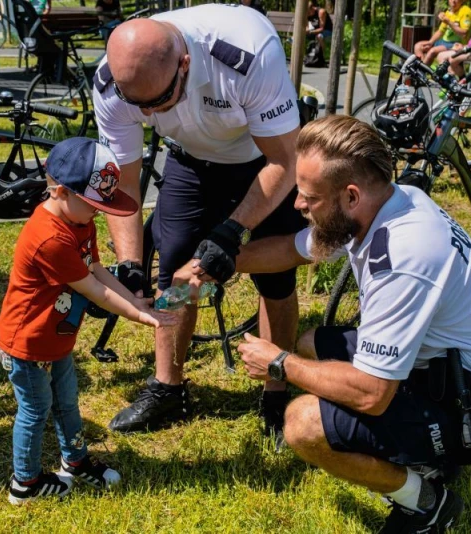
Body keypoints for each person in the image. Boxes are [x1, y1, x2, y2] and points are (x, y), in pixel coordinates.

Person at [207, 115, 471, 532]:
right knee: (312, 343)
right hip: (445, 363)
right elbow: (292, 248)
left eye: (309, 197)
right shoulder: (390, 200)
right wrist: (221, 262)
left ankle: (426, 500)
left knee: (303, 424)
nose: (298, 205)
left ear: (351, 196)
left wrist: (277, 363)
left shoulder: (402, 257)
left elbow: (372, 394)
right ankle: (419, 452)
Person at [91, 3, 307, 441]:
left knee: (276, 278)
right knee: (173, 273)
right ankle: (169, 387)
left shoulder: (246, 51)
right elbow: (125, 186)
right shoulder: (114, 80)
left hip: (261, 163)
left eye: (159, 102)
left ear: (185, 64)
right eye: (139, 106)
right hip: (190, 163)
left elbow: (286, 159)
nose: (148, 116)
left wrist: (231, 233)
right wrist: (131, 263)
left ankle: (275, 391)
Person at [0, 138, 177, 505]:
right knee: (35, 409)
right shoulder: (49, 237)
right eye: (93, 204)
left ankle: (75, 461)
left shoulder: (79, 222)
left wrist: (133, 298)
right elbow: (93, 288)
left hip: (56, 339)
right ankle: (24, 484)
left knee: (67, 401)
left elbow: (96, 269)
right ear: (60, 191)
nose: (98, 213)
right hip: (26, 345)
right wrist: (139, 314)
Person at [413, 0, 471, 66]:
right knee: (418, 46)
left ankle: (421, 70)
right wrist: (430, 42)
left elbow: (464, 33)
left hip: (456, 44)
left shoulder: (466, 11)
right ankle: (421, 71)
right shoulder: (448, 12)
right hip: (444, 42)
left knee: (432, 51)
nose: (453, 1)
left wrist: (449, 22)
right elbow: (440, 31)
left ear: (462, 1)